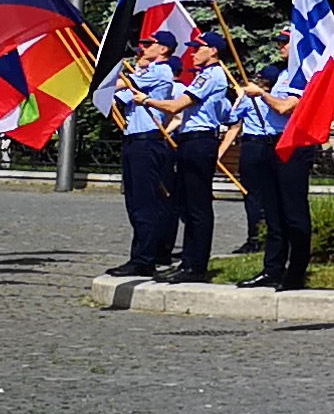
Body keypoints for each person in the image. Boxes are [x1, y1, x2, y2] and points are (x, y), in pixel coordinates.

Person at [108, 35, 182, 276]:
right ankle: (140, 255)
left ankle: (144, 259)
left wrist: (107, 71)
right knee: (134, 202)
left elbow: (119, 85)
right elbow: (117, 99)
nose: (142, 49)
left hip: (147, 141)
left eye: (148, 45)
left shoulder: (160, 72)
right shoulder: (144, 76)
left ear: (163, 49)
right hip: (134, 141)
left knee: (145, 204)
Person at [237, 65, 313, 292]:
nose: (280, 47)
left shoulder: (303, 74)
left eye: (285, 42)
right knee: (273, 212)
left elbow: (285, 108)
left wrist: (261, 94)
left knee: (294, 211)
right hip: (271, 144)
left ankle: (296, 271)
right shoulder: (282, 76)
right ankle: (272, 268)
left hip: (292, 143)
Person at [166, 36, 234, 282]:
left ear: (213, 51)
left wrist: (146, 100)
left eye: (197, 49)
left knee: (198, 205)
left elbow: (178, 106)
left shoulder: (212, 75)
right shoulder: (203, 74)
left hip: (200, 141)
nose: (192, 53)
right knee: (185, 202)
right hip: (189, 140)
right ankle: (188, 260)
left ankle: (196, 266)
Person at [226, 62, 282, 262]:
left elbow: (231, 117)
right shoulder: (278, 98)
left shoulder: (251, 99)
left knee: (253, 195)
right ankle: (268, 235)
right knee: (270, 195)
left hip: (252, 145)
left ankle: (255, 237)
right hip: (271, 144)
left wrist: (240, 97)